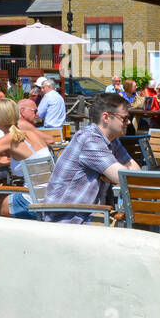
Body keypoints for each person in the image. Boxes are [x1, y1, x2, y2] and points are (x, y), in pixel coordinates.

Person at [40, 92, 139, 224]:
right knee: (137, 228)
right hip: (69, 219)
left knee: (139, 224)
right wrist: (114, 176)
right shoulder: (90, 140)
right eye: (124, 118)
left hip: (91, 212)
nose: (128, 122)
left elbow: (136, 172)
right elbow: (127, 177)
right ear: (106, 117)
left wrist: (111, 176)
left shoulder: (112, 140)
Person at [0, 99, 53, 218]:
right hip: (49, 200)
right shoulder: (31, 134)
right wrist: (1, 162)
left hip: (30, 204)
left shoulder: (9, 139)